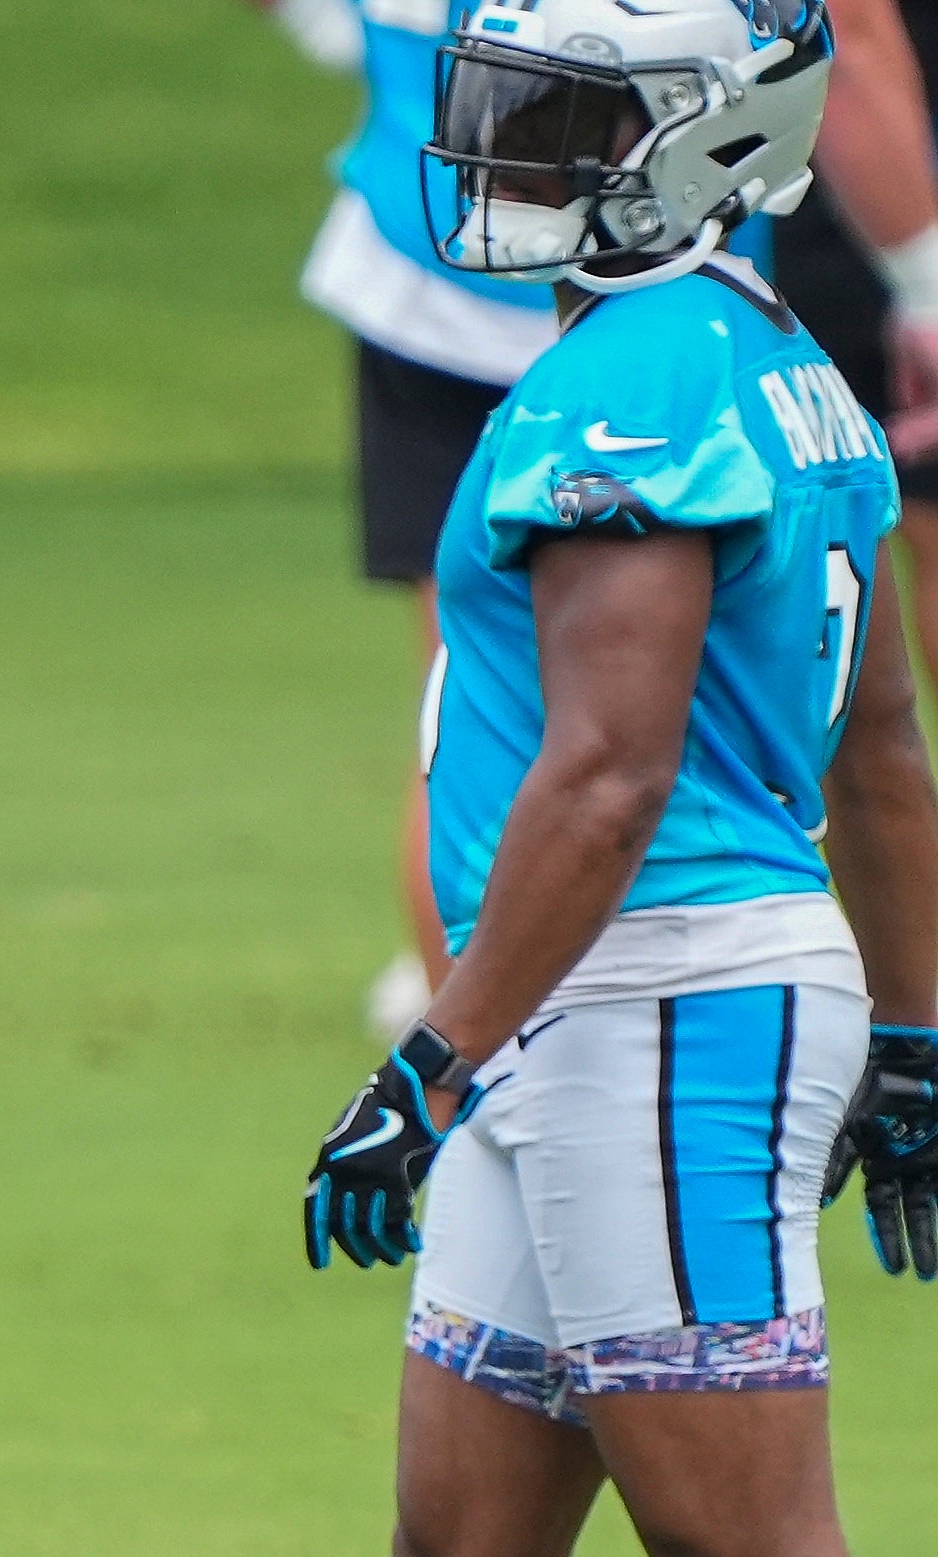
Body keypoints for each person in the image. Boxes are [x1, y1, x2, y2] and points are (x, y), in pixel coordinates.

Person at [32, 0, 938, 1557]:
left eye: (559, 119)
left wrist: (433, 1058)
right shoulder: (775, 359)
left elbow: (610, 774)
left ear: (701, 144)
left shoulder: (635, 386)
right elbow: (888, 747)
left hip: (649, 1017)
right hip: (611, 1029)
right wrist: (915, 1045)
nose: (503, 150)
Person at [244, 0, 938, 1041]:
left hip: (437, 273)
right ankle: (486, 1054)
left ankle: (473, 1051)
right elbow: (849, 37)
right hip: (657, 279)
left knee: (484, 701)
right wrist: (924, 280)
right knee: (675, 714)